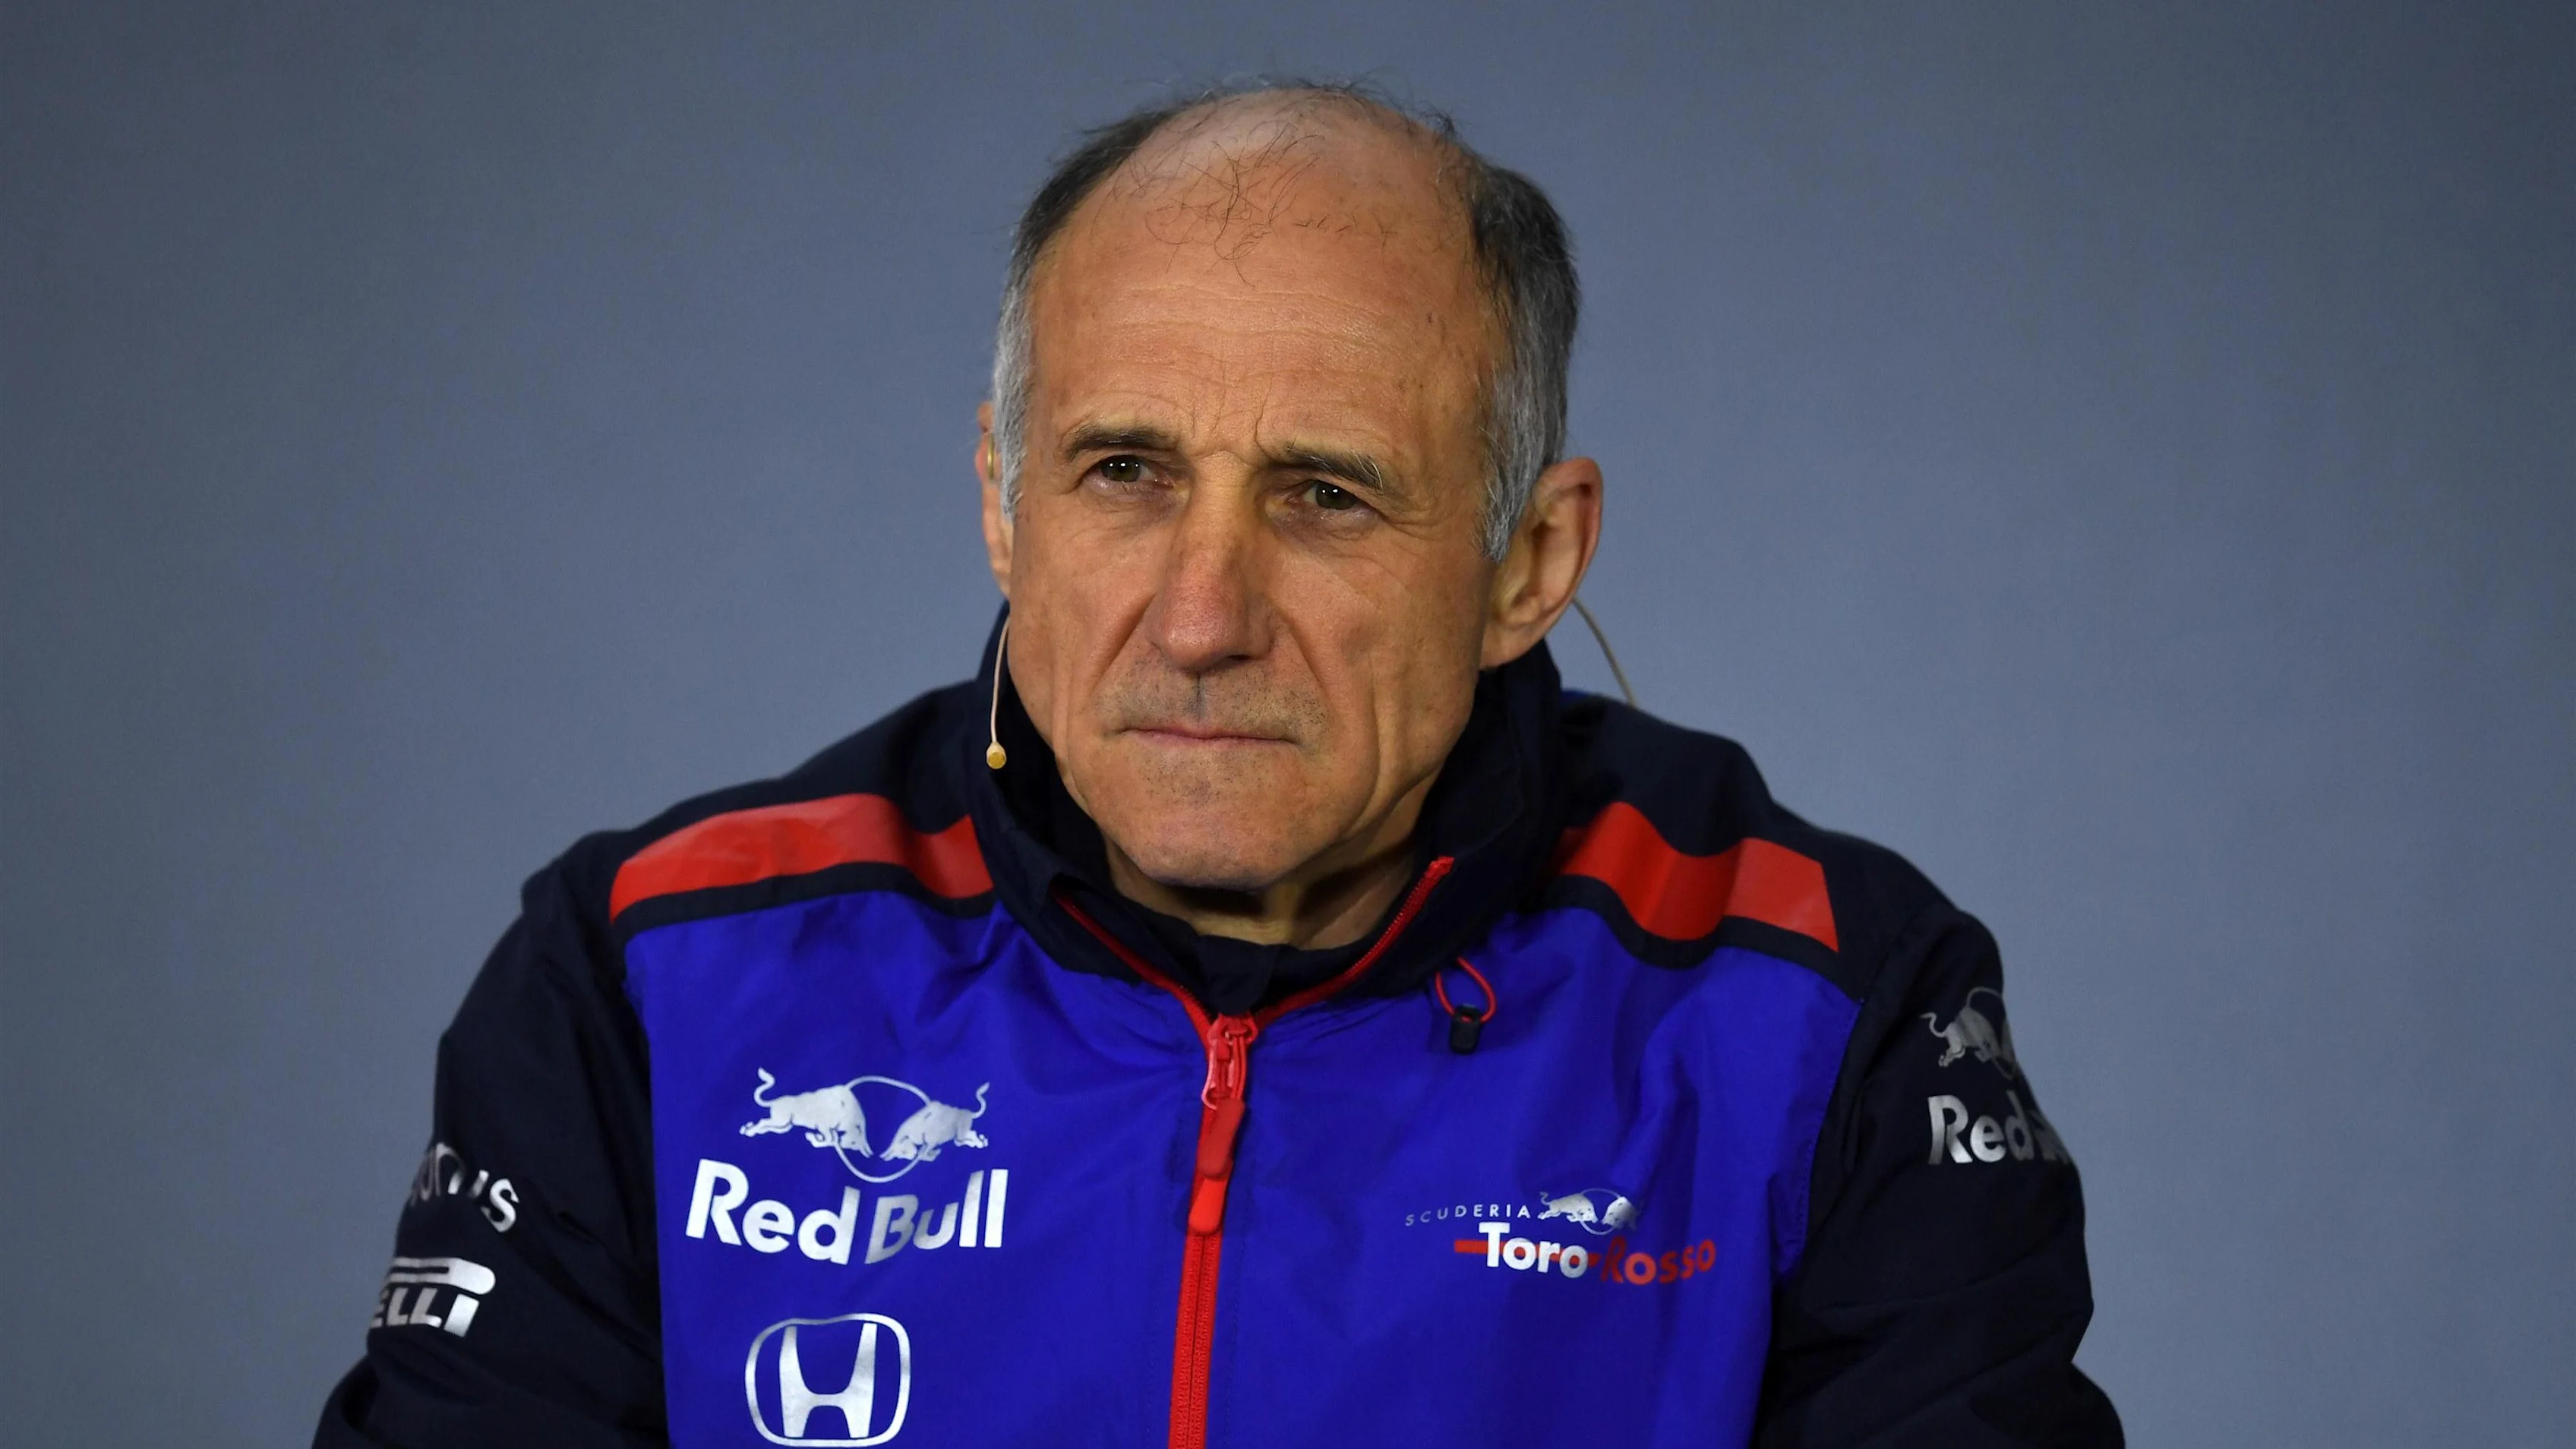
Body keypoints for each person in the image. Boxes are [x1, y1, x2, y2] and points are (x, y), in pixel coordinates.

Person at [316, 83, 2120, 1449]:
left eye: (1324, 496)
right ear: (1003, 502)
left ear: (1529, 561)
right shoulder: (652, 974)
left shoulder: (1823, 1002)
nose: (1199, 620)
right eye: (1124, 473)